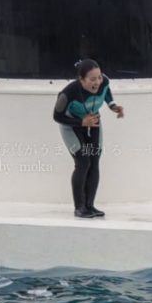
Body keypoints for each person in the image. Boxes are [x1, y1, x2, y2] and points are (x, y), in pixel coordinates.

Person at [52, 59, 124, 218]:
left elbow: (106, 90)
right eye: (92, 79)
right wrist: (81, 121)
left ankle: (90, 206)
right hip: (71, 125)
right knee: (83, 162)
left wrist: (113, 106)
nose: (97, 82)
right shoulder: (68, 92)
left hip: (93, 122)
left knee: (94, 161)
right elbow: (56, 116)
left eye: (98, 77)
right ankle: (80, 207)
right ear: (81, 79)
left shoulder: (103, 81)